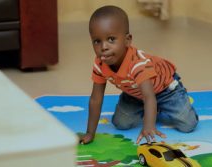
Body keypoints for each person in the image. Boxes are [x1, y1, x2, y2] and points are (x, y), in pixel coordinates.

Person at [80, 5, 198, 145]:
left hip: (165, 89)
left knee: (188, 125)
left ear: (127, 40)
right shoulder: (100, 63)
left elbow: (149, 96)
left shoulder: (138, 64)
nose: (103, 47)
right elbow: (95, 99)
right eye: (97, 41)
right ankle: (152, 108)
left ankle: (171, 103)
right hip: (136, 93)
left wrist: (148, 127)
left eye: (111, 39)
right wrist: (90, 132)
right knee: (120, 123)